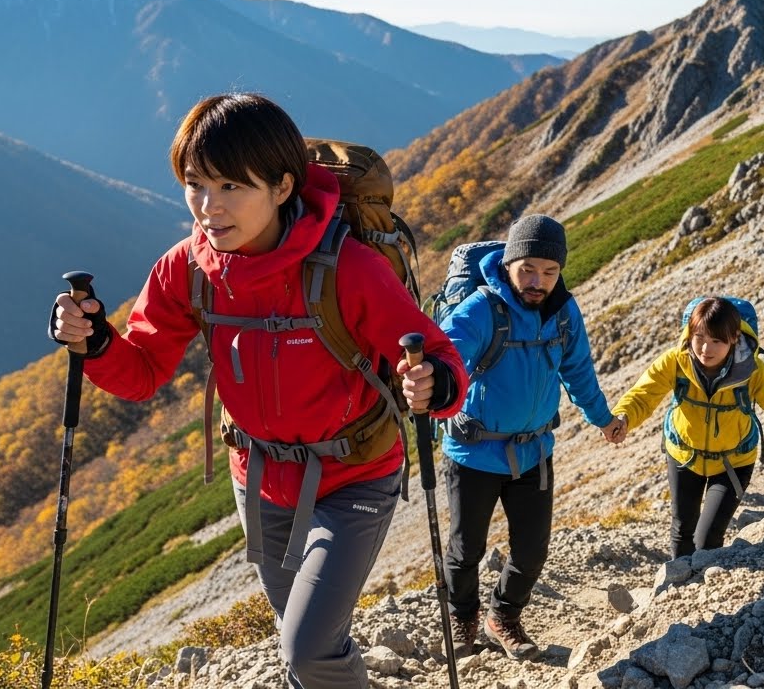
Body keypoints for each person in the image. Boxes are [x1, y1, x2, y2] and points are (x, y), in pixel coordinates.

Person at [48, 93, 467, 689]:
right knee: (301, 640)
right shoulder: (188, 269)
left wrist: (435, 383)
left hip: (355, 474)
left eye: (231, 187)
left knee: (308, 650)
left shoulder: (347, 268)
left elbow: (437, 354)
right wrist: (95, 343)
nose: (208, 206)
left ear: (282, 187)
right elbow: (141, 372)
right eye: (195, 185)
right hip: (259, 479)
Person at [436, 214, 625, 661]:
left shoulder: (564, 313)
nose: (538, 281)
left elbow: (578, 371)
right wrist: (431, 378)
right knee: (466, 549)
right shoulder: (483, 307)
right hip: (473, 453)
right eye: (528, 270)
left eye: (549, 271)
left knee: (533, 550)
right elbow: (449, 351)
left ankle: (502, 616)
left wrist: (603, 419)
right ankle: (462, 616)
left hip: (534, 452)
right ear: (508, 264)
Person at [612, 297, 764, 559]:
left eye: (716, 341)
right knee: (683, 529)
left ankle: (705, 580)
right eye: (699, 337)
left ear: (733, 338)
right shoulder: (675, 362)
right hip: (684, 456)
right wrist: (623, 418)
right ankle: (679, 580)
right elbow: (643, 395)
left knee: (708, 538)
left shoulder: (753, 372)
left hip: (733, 463)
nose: (705, 348)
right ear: (689, 332)